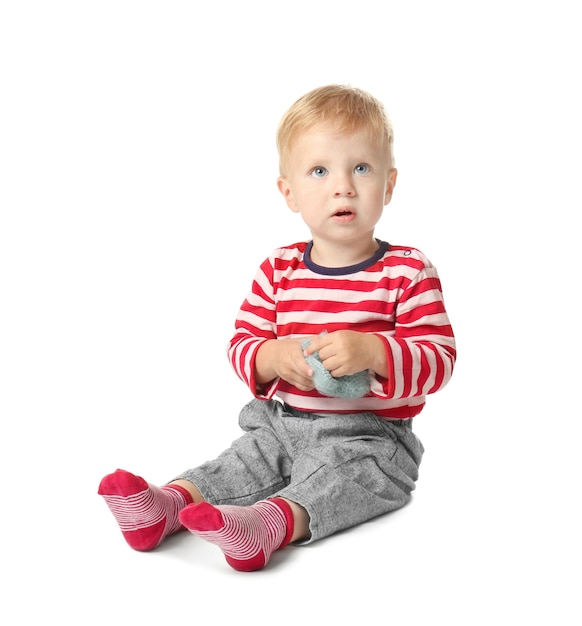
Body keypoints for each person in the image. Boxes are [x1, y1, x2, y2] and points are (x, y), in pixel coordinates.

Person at [98, 84, 456, 572]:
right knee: (240, 462)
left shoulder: (407, 271)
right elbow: (242, 344)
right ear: (289, 192)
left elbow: (439, 358)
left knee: (341, 478)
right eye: (319, 170)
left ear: (389, 185)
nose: (343, 186)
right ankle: (166, 507)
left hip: (371, 436)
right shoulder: (278, 270)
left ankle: (268, 525)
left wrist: (374, 352)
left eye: (362, 168)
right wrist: (272, 357)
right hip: (280, 422)